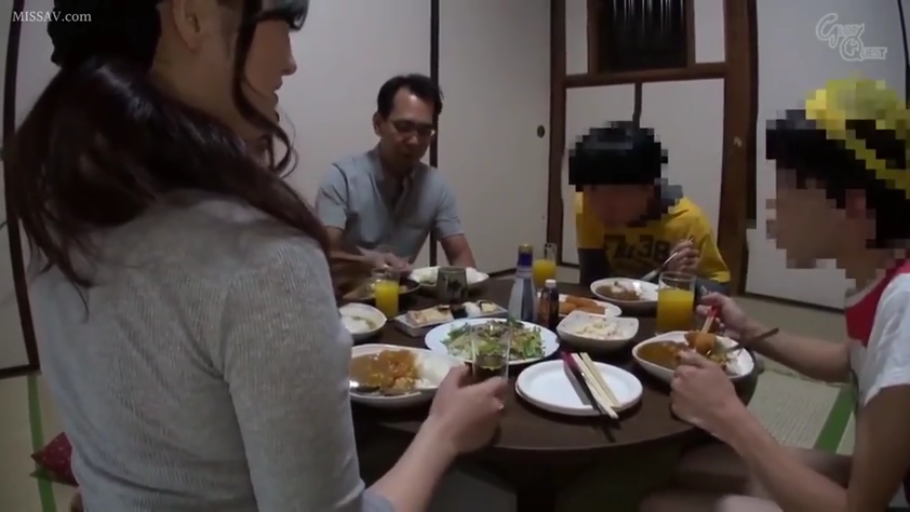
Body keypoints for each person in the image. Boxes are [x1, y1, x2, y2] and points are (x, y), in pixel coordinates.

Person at [7, 1, 505, 511]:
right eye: (286, 21)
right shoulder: (264, 253)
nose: (291, 62)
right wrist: (444, 432)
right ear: (193, 16)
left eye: (426, 130)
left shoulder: (58, 217)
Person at [640, 78, 910, 511]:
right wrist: (749, 330)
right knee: (692, 464)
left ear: (853, 205)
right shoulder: (886, 278)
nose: (772, 206)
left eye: (788, 187)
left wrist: (730, 417)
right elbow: (848, 360)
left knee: (660, 506)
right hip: (884, 479)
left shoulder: (905, 303)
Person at [316, 74, 477, 269]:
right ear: (378, 124)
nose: (415, 141)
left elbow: (459, 253)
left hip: (402, 287)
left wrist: (467, 284)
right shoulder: (342, 178)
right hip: (345, 286)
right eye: (403, 127)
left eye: (424, 131)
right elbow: (324, 252)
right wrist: (369, 262)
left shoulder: (435, 186)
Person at [570, 122, 730, 293]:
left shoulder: (688, 221)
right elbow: (592, 279)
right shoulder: (585, 207)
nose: (599, 205)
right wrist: (665, 275)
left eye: (616, 191)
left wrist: (682, 279)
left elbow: (721, 289)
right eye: (592, 188)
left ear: (648, 187)